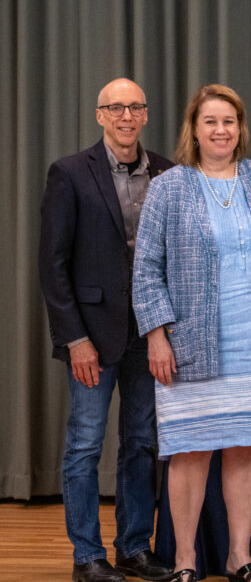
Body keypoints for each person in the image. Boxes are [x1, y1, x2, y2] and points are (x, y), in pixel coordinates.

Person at [132, 84, 251, 582]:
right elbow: (146, 266)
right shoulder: (170, 186)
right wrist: (156, 335)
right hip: (190, 344)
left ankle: (239, 556)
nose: (220, 130)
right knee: (189, 452)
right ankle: (186, 560)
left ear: (240, 128)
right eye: (210, 121)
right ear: (194, 129)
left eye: (229, 121)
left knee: (244, 448)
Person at [39, 78, 174, 582]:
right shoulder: (70, 173)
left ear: (145, 114)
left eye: (135, 106)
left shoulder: (168, 172)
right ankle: (86, 557)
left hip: (149, 336)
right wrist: (74, 339)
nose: (125, 116)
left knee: (140, 443)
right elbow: (53, 265)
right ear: (99, 115)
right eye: (115, 107)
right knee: (84, 446)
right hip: (91, 338)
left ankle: (134, 548)